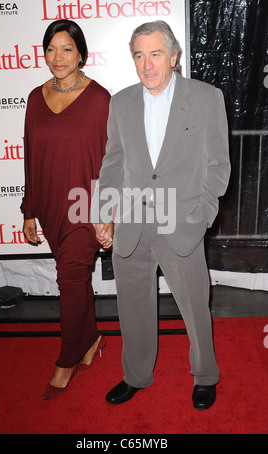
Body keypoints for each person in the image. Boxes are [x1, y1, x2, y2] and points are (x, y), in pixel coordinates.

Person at [91, 21, 231, 409]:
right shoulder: (121, 102)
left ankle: (205, 375)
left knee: (194, 307)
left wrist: (202, 215)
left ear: (173, 56)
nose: (147, 64)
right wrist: (103, 213)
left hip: (182, 223)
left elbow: (218, 165)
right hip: (132, 226)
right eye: (139, 55)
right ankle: (136, 375)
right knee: (132, 308)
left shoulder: (206, 98)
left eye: (155, 54)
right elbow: (113, 164)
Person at [21, 19, 111, 400]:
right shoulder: (34, 97)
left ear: (81, 53)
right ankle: (92, 340)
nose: (58, 58)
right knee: (76, 281)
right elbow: (31, 157)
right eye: (51, 49)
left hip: (85, 208)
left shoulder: (100, 99)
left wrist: (107, 213)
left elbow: (112, 162)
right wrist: (29, 210)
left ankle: (68, 357)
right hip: (50, 207)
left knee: (70, 280)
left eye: (67, 49)